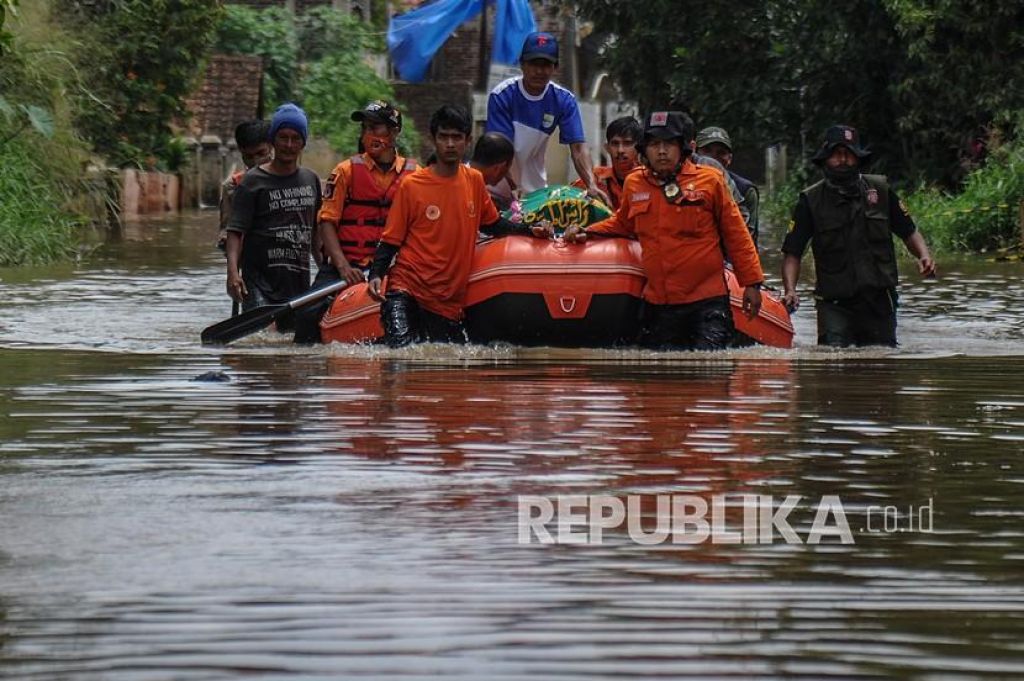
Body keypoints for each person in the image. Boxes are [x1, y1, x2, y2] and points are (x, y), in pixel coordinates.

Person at [563, 110, 764, 351]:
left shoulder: (710, 181)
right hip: (658, 304)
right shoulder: (635, 183)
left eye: (668, 144)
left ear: (683, 148)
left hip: (706, 303)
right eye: (654, 144)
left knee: (711, 376)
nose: (661, 151)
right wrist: (588, 231)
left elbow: (737, 234)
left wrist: (752, 284)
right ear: (644, 150)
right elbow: (622, 223)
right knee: (658, 381)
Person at [367, 104, 554, 347]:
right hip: (407, 290)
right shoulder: (412, 185)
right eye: (444, 137)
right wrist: (376, 273)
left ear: (467, 141)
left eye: (457, 137)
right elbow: (391, 238)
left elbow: (493, 224)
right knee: (399, 358)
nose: (450, 144)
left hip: (447, 302)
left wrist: (529, 230)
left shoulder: (474, 181)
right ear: (433, 139)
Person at [781, 124, 936, 347]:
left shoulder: (880, 191)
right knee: (833, 367)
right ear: (826, 158)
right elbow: (792, 252)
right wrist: (790, 290)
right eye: (837, 154)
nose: (843, 160)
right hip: (835, 303)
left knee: (882, 364)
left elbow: (909, 231)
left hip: (879, 299)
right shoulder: (811, 201)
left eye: (848, 154)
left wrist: (924, 256)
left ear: (858, 158)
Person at [225, 103, 322, 330]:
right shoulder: (251, 182)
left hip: (298, 283)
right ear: (273, 141)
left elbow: (316, 233)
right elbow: (235, 232)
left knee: (289, 344)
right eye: (283, 137)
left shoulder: (311, 180)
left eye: (295, 139)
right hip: (258, 282)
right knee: (263, 340)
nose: (289, 145)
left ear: (303, 143)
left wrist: (327, 271)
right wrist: (232, 274)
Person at [485, 31, 610, 206]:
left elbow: (578, 147)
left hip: (534, 195)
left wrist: (591, 184)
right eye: (533, 63)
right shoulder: (502, 95)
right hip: (495, 190)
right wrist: (514, 187)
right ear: (522, 64)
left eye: (545, 65)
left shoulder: (564, 100)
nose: (539, 71)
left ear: (555, 68)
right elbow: (500, 150)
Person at [317, 100, 418, 286]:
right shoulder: (345, 171)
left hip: (395, 268)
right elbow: (326, 222)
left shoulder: (415, 174)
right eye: (365, 128)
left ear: (394, 132)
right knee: (306, 314)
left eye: (375, 127)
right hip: (347, 267)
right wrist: (343, 267)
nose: (368, 134)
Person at [696, 126, 760, 246]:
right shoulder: (680, 184)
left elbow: (749, 239)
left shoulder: (746, 190)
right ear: (694, 152)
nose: (713, 157)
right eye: (707, 150)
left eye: (721, 153)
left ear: (729, 158)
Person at [217, 119, 272, 251]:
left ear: (271, 147)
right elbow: (226, 229)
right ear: (241, 154)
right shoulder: (232, 186)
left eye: (261, 154)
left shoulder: (288, 179)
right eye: (249, 156)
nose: (256, 161)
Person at [571, 115, 642, 210]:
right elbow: (565, 197)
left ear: (639, 148)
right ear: (607, 148)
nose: (620, 150)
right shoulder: (594, 179)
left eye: (627, 143)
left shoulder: (649, 179)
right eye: (615, 143)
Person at [469, 131, 516, 211]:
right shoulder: (474, 191)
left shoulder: (475, 183)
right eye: (506, 171)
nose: (507, 176)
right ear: (498, 169)